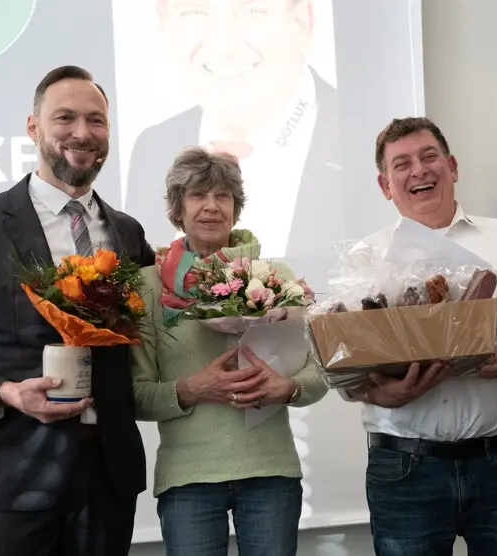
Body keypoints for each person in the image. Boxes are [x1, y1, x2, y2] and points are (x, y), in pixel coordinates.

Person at [0, 65, 156, 556]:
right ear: (33, 127)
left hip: (107, 481)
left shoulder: (128, 234)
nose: (83, 133)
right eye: (65, 118)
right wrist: (6, 392)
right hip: (6, 479)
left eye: (97, 121)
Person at [341, 117, 497, 556]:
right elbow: (344, 363)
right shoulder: (364, 259)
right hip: (403, 469)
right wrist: (377, 392)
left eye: (429, 157)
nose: (419, 170)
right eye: (402, 164)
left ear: (453, 166)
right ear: (386, 186)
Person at [130, 146, 328, 556]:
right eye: (197, 195)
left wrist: (287, 388)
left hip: (271, 471)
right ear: (177, 208)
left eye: (223, 196)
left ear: (236, 209)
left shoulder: (276, 278)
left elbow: (319, 374)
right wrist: (192, 388)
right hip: (189, 479)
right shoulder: (148, 286)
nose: (211, 207)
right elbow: (136, 393)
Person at [124, 0, 341, 259]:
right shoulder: (153, 148)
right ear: (164, 24)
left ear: (301, 21)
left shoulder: (356, 139)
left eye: (253, 10)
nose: (223, 47)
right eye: (194, 12)